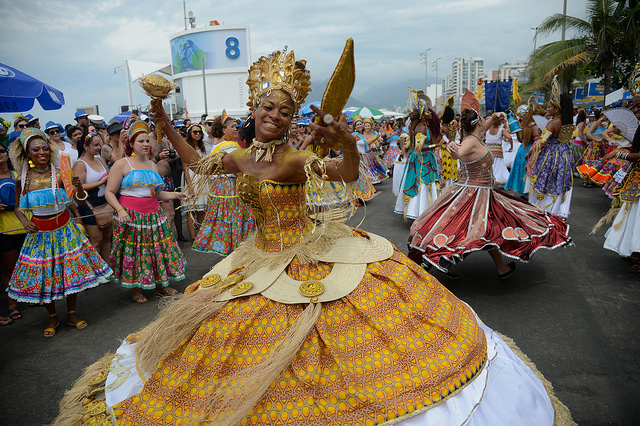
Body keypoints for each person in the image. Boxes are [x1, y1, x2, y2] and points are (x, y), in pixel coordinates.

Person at [56, 47, 571, 425]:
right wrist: (164, 119)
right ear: (253, 109)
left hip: (311, 252)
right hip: (258, 256)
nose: (274, 116)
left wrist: (344, 137)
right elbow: (198, 162)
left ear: (290, 118)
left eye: (284, 110)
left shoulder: (298, 158)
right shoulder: (237, 153)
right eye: (266, 107)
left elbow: (348, 172)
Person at [408, 104, 572, 279]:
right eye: (483, 120)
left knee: (490, 230)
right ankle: (442, 259)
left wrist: (496, 116)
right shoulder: (470, 141)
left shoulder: (475, 134)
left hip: (482, 192)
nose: (485, 122)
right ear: (478, 122)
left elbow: (484, 127)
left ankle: (499, 267)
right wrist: (452, 149)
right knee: (471, 232)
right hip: (473, 194)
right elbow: (459, 154)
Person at [7, 128, 112, 337]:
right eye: (36, 149)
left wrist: (78, 187)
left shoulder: (60, 173)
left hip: (65, 231)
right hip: (40, 235)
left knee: (68, 275)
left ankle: (72, 314)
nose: (42, 152)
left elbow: (79, 199)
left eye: (45, 148)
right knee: (48, 278)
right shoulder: (23, 179)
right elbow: (18, 206)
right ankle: (53, 317)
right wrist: (23, 221)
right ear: (27, 153)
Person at [105, 121, 187, 304]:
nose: (145, 144)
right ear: (131, 144)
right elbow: (109, 192)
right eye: (140, 141)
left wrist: (176, 194)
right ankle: (136, 288)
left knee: (157, 250)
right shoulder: (122, 164)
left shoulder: (153, 165)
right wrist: (119, 210)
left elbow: (157, 193)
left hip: (154, 215)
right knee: (135, 252)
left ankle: (161, 283)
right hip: (131, 216)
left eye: (147, 141)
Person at [192, 113, 255, 255]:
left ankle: (227, 250)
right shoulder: (231, 148)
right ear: (223, 130)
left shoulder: (217, 146)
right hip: (231, 188)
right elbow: (241, 170)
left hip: (219, 188)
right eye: (232, 127)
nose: (236, 129)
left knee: (225, 222)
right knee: (235, 220)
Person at [526, 76, 576, 219]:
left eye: (550, 106)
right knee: (559, 182)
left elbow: (543, 142)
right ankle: (557, 211)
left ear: (557, 108)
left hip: (551, 157)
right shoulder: (567, 123)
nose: (548, 108)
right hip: (564, 156)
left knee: (546, 181)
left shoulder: (552, 123)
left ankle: (544, 211)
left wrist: (531, 153)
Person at [394, 89, 440, 219]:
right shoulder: (421, 127)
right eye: (427, 111)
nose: (430, 113)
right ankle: (418, 212)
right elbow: (420, 148)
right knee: (422, 185)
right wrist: (436, 145)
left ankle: (418, 211)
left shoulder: (421, 125)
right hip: (421, 161)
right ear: (422, 113)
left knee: (423, 185)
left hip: (420, 159)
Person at [72, 132, 112, 263]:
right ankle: (96, 270)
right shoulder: (80, 164)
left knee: (107, 238)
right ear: (85, 146)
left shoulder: (100, 160)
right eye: (95, 145)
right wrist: (101, 182)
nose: (99, 148)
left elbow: (110, 177)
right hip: (89, 204)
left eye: (99, 145)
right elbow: (79, 187)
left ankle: (107, 267)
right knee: (96, 240)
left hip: (105, 202)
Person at [0, 143, 26, 325]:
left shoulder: (18, 174)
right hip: (5, 229)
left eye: (1, 151)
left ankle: (29, 296)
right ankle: (12, 303)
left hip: (26, 226)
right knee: (9, 269)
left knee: (27, 265)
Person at [181, 123, 208, 240]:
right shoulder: (186, 147)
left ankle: (201, 237)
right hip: (191, 177)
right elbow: (185, 167)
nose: (198, 134)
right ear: (189, 134)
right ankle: (193, 238)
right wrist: (190, 185)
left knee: (202, 210)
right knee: (191, 210)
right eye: (195, 132)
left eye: (199, 132)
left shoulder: (202, 147)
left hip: (202, 177)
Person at [484, 114, 513, 187]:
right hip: (498, 152)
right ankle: (498, 179)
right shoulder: (501, 130)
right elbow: (509, 137)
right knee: (500, 167)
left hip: (489, 152)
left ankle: (490, 179)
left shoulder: (487, 130)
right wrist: (511, 147)